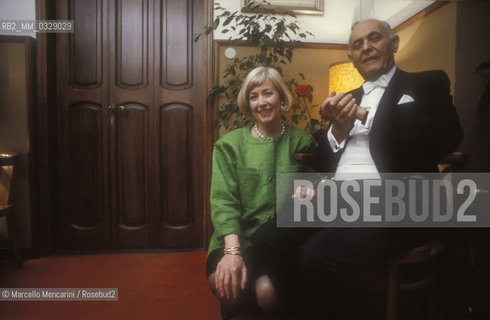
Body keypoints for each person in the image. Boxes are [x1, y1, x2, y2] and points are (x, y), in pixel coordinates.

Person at [253, 19, 463, 319]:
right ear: (352, 56)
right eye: (357, 45)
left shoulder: (427, 83)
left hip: (398, 202)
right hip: (338, 198)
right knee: (267, 240)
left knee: (318, 256)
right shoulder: (346, 98)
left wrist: (366, 116)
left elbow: (448, 136)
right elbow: (324, 160)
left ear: (395, 43)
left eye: (374, 38)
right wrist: (338, 128)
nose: (366, 47)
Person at [206, 66, 317, 319]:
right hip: (237, 239)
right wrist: (232, 253)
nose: (262, 103)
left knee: (266, 294)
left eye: (268, 94)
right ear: (248, 103)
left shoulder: (302, 141)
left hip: (277, 245)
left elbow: (315, 182)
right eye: (254, 96)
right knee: (231, 288)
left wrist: (310, 189)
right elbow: (224, 201)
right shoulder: (228, 145)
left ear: (281, 97)